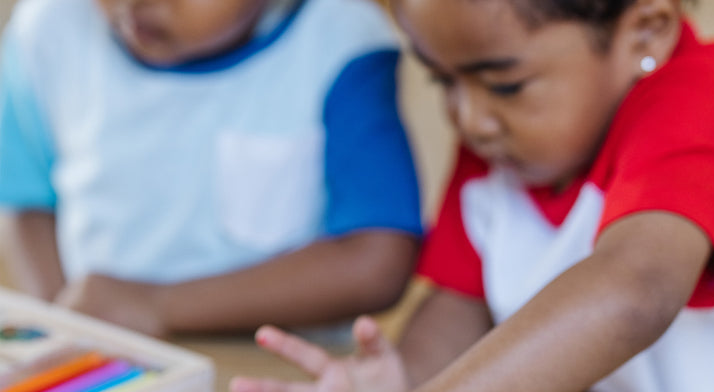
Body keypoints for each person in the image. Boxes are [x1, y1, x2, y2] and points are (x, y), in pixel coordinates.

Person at [197, 0, 714, 392]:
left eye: (505, 85)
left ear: (646, 34)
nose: (470, 118)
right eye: (443, 82)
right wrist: (401, 385)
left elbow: (635, 290)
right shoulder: (504, 145)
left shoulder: (699, 102)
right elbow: (463, 298)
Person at [0, 0, 422, 337]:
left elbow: (376, 264)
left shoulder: (342, 39)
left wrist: (157, 305)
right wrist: (66, 326)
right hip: (110, 367)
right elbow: (26, 201)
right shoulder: (46, 28)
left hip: (282, 377)